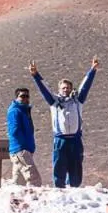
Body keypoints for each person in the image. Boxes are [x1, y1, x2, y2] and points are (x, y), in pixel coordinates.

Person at [29, 56, 99, 188]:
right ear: (59, 89)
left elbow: (85, 86)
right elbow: (45, 89)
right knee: (59, 166)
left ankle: (74, 190)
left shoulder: (78, 101)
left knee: (76, 167)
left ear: (71, 89)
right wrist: (35, 75)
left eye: (68, 88)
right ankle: (59, 191)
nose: (65, 90)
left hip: (76, 140)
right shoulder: (54, 102)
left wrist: (92, 71)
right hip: (60, 140)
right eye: (63, 88)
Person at [7, 87, 42, 186]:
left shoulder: (23, 110)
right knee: (34, 178)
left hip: (24, 149)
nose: (25, 98)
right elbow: (14, 130)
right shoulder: (15, 111)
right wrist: (23, 146)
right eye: (22, 96)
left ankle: (12, 199)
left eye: (27, 96)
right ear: (16, 97)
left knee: (19, 181)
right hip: (20, 149)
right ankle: (35, 199)